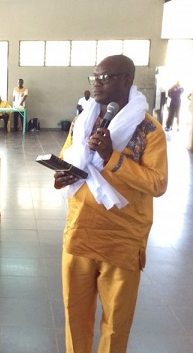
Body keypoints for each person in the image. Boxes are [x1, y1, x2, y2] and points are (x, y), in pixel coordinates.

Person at [54, 55, 168, 352]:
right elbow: (68, 156)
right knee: (73, 315)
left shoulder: (149, 130)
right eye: (94, 77)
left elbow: (158, 184)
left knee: (116, 323)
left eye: (106, 77)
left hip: (121, 240)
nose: (97, 83)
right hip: (79, 233)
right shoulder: (82, 121)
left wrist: (111, 158)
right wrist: (62, 177)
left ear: (127, 81)